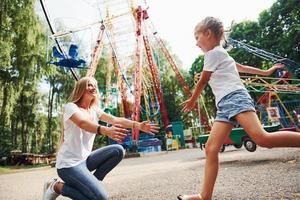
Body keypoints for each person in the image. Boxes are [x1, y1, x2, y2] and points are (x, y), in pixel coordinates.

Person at [180, 16, 300, 200]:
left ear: (208, 34)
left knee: (262, 138)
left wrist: (192, 99)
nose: (196, 43)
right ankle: (204, 196)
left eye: (197, 38)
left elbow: (204, 80)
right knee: (211, 149)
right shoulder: (221, 54)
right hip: (224, 106)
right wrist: (266, 72)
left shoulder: (213, 54)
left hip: (235, 98)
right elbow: (242, 67)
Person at [42, 76, 159, 200]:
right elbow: (83, 123)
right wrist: (105, 130)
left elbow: (115, 120)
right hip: (68, 165)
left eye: (95, 85)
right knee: (101, 197)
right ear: (81, 88)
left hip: (85, 160)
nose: (93, 88)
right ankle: (56, 186)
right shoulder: (71, 107)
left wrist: (138, 125)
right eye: (89, 85)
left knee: (118, 150)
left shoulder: (94, 110)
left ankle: (91, 185)